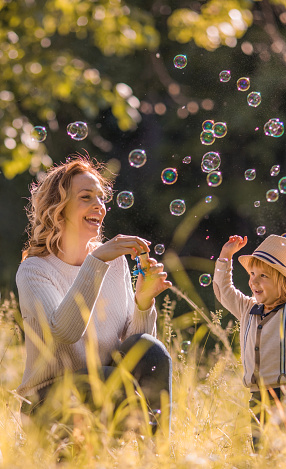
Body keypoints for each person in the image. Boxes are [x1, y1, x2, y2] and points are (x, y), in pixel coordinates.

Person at [16, 156, 172, 435]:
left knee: (152, 349)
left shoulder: (113, 263)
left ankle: (155, 459)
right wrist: (96, 261)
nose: (99, 206)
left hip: (105, 387)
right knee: (107, 378)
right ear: (58, 208)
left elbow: (135, 348)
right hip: (47, 404)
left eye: (101, 199)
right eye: (86, 197)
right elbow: (65, 332)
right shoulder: (34, 270)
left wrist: (143, 302)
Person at [213, 221, 286, 449]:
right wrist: (225, 257)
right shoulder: (247, 309)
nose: (253, 280)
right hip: (259, 398)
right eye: (252, 273)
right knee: (263, 457)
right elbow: (222, 291)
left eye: (263, 275)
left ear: (284, 282)